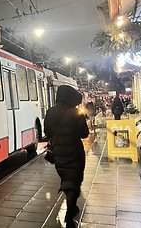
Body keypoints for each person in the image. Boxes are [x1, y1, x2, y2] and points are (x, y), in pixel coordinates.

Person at [44, 85, 89, 226]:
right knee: (75, 179)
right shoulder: (76, 113)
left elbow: (47, 131)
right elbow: (84, 133)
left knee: (66, 178)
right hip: (75, 152)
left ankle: (72, 205)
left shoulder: (50, 112)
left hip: (58, 152)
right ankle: (69, 214)